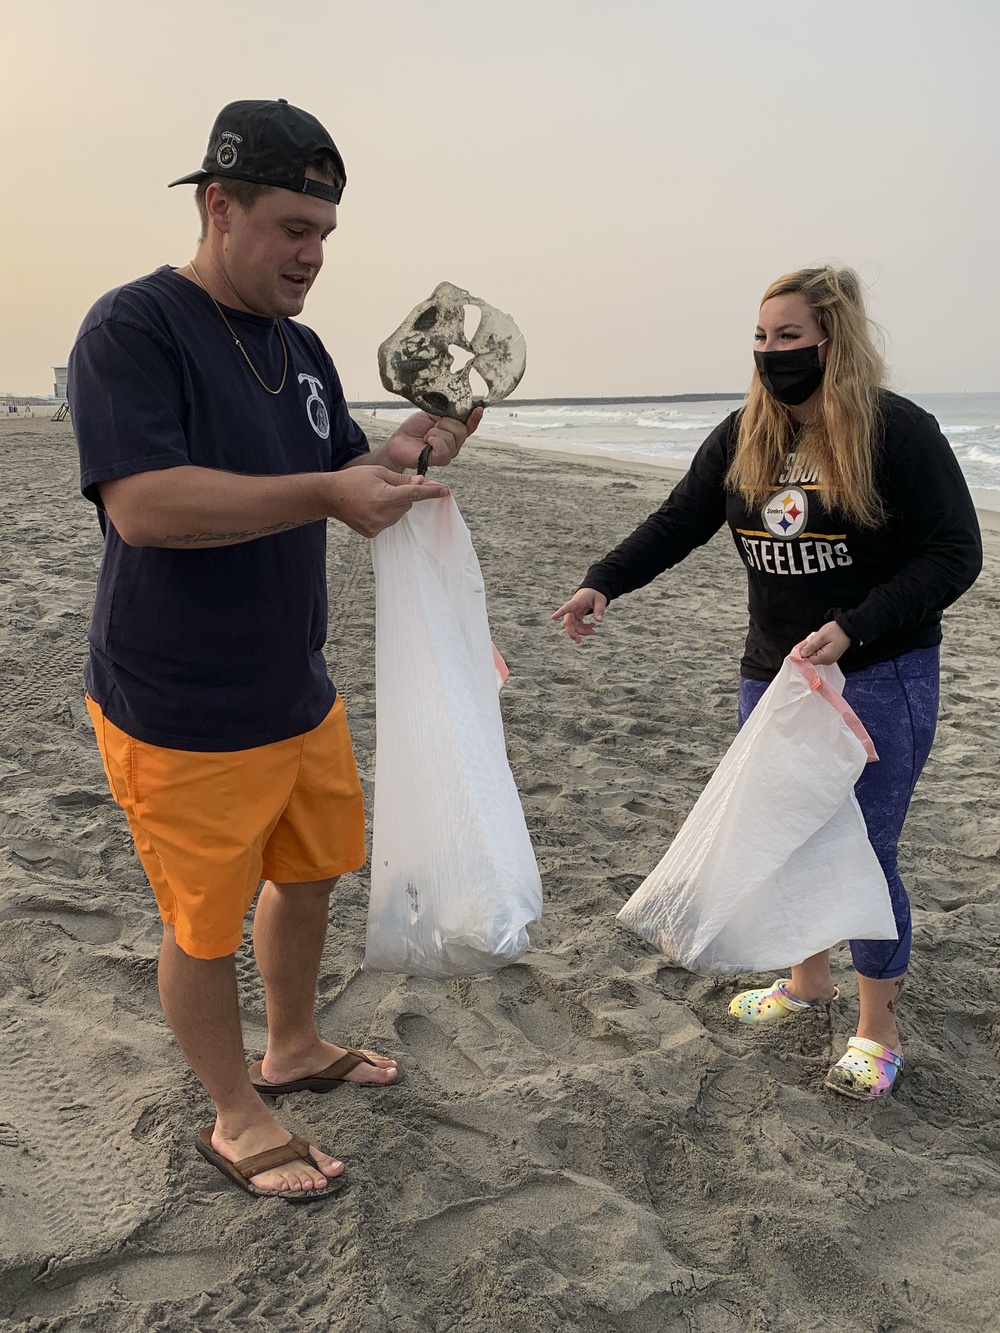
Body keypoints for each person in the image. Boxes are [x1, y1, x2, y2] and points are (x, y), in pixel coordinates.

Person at [68, 98, 481, 1201]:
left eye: (325, 236)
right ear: (220, 205)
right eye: (295, 228)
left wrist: (399, 453)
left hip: (296, 687)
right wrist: (328, 492)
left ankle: (289, 1044)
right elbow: (145, 506)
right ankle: (233, 1111)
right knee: (201, 925)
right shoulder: (134, 328)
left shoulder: (298, 348)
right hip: (181, 701)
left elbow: (336, 462)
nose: (312, 256)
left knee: (307, 875)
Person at [553, 266, 982, 1101]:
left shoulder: (898, 431)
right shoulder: (747, 433)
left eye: (789, 337)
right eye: (760, 337)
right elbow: (681, 518)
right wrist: (603, 579)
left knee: (864, 847)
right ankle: (806, 980)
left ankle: (876, 1029)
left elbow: (956, 552)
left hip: (879, 675)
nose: (770, 353)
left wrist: (859, 623)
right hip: (775, 678)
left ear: (835, 340)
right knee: (788, 836)